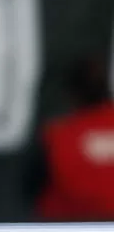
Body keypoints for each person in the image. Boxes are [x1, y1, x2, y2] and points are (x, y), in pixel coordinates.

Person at [30, 57, 114, 220]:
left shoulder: (57, 135)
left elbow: (31, 188)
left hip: (67, 231)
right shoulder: (58, 134)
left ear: (72, 93)